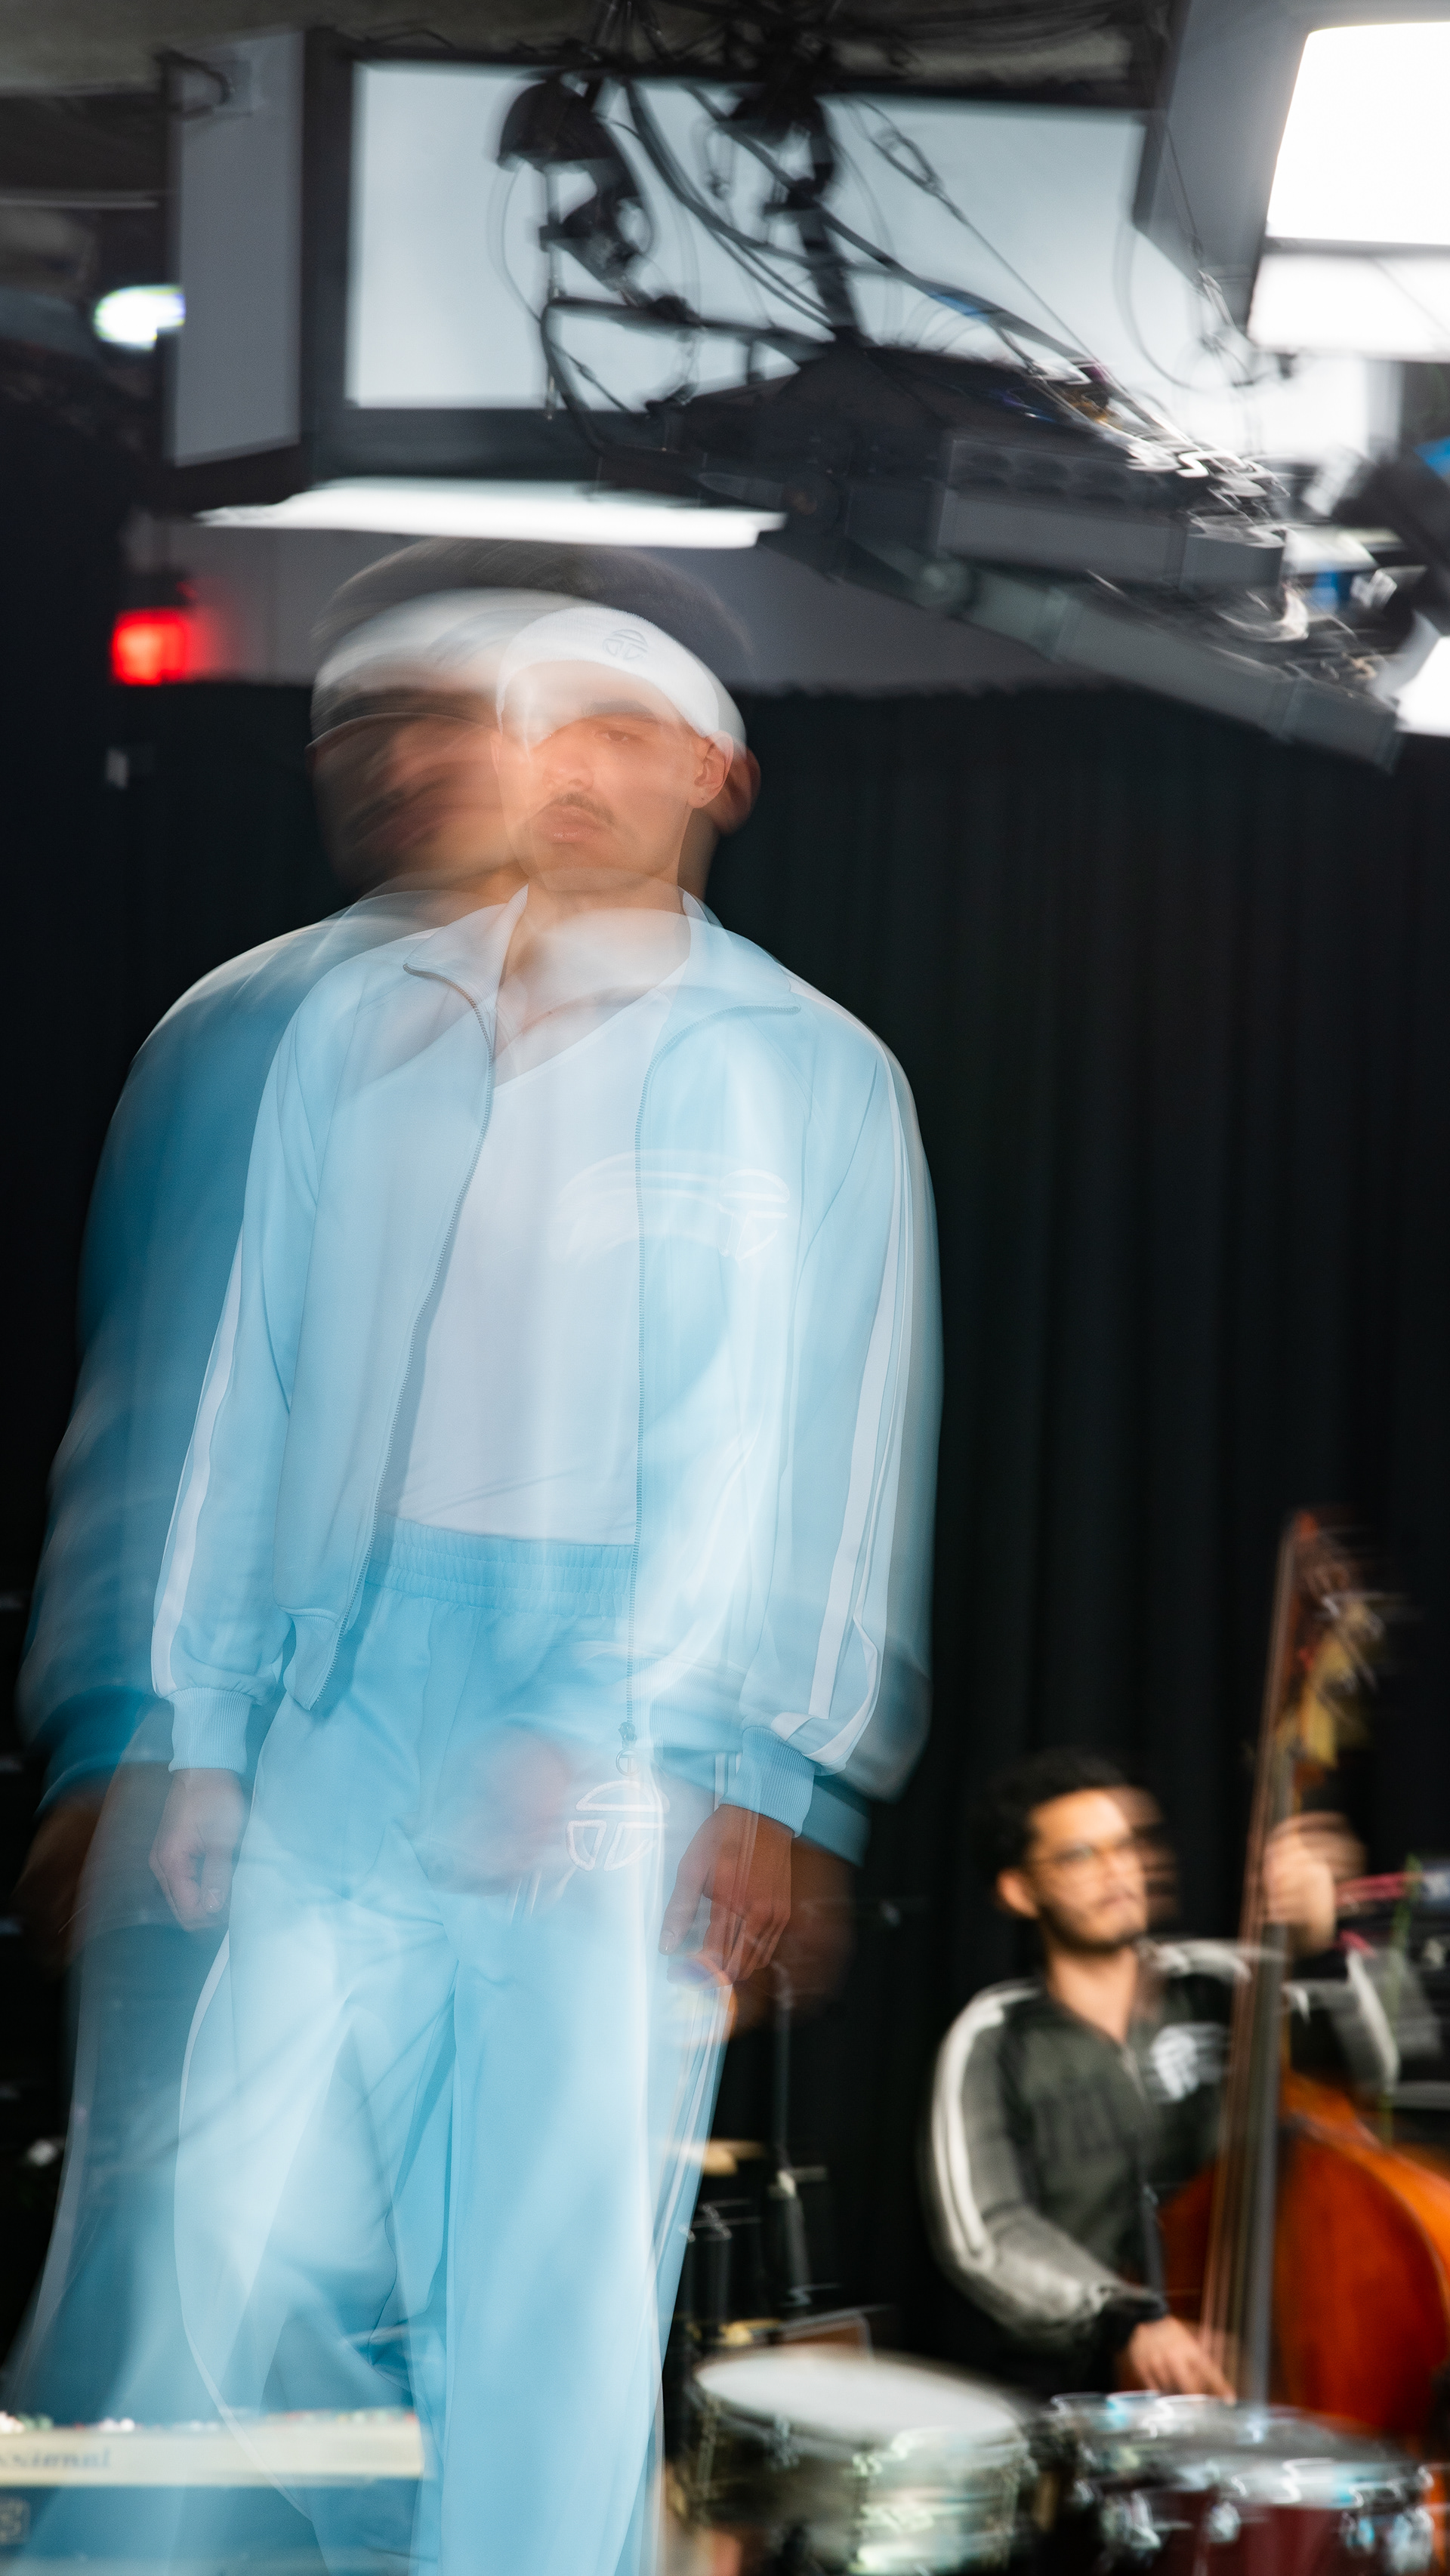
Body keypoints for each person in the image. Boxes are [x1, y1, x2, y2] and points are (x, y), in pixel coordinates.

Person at [147, 600, 941, 2576]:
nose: (570, 767)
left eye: (621, 730)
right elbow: (252, 1384)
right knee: (227, 2228)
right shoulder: (363, 1028)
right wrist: (205, 1720)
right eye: (539, 727)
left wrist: (735, 1760)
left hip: (623, 1713)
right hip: (347, 1673)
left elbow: (816, 1451)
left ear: (716, 774)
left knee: (551, 2279)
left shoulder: (809, 1071)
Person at [5, 541, 766, 2430]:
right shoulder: (251, 1027)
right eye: (372, 729)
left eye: (456, 721)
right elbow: (165, 1417)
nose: (415, 763)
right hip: (252, 1763)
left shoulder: (694, 1054)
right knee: (198, 2289)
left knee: (498, 2290)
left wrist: (733, 1767)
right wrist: (132, 1734)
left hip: (540, 1764)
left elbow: (708, 1451)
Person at [922, 1749, 1381, 2400]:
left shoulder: (1235, 1982)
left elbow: (1385, 2074)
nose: (1119, 1870)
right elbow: (988, 2233)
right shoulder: (992, 2036)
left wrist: (1327, 1941)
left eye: (1127, 1845)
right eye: (1081, 1855)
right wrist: (1124, 2319)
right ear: (1020, 1890)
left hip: (1284, 2352)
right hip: (1087, 2394)